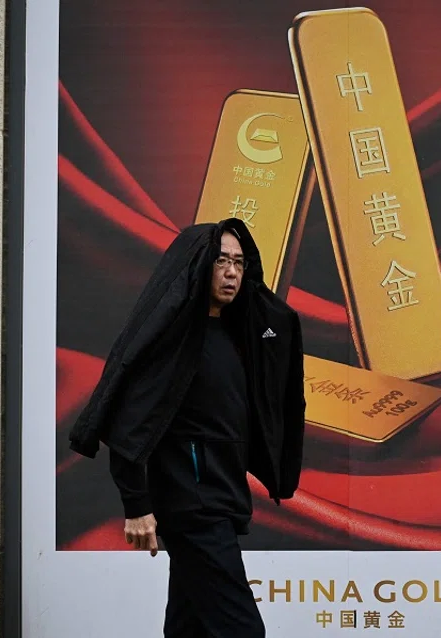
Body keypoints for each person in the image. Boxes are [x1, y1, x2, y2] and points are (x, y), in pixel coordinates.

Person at [68, 218, 306, 637]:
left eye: (239, 263)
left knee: (189, 626)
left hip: (222, 497)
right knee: (242, 631)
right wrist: (137, 505)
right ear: (198, 266)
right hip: (193, 504)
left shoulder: (236, 335)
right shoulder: (174, 338)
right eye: (220, 262)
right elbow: (130, 421)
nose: (232, 272)